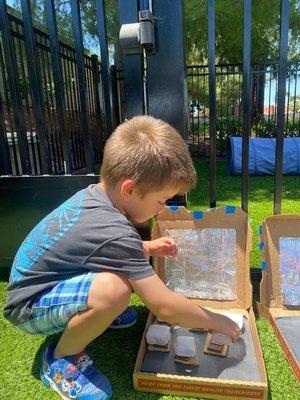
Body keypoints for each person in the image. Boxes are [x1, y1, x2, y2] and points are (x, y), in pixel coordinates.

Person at [4, 116, 241, 400]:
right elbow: (164, 306)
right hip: (27, 307)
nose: (161, 208)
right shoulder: (115, 230)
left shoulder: (96, 196)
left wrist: (149, 248)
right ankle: (58, 358)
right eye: (161, 200)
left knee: (120, 280)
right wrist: (216, 321)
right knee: (113, 292)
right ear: (129, 189)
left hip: (38, 283)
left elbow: (102, 248)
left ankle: (97, 315)